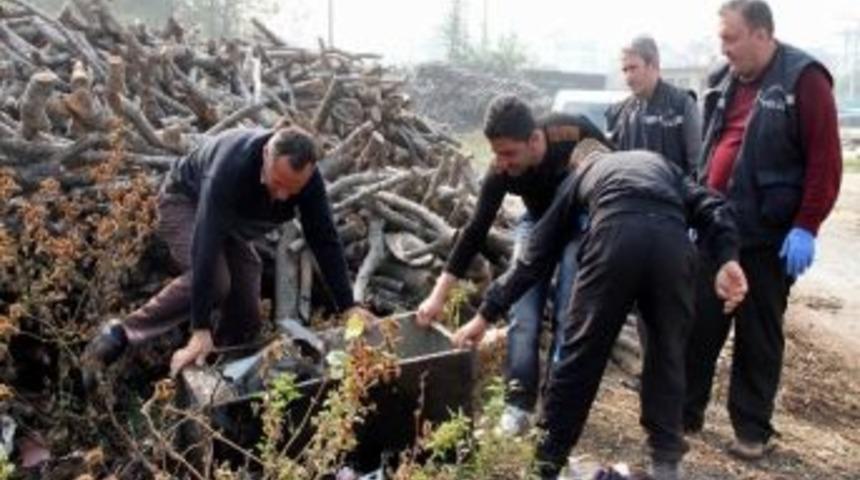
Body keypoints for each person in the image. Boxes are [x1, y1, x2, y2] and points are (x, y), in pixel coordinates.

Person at [453, 139, 748, 480]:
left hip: (615, 237)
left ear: (579, 165)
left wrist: (485, 314)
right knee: (667, 353)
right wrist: (728, 257)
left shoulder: (584, 173)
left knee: (580, 355)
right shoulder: (660, 164)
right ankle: (666, 462)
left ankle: (546, 464)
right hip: (672, 245)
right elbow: (715, 206)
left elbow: (535, 255)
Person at [82, 126, 371, 383]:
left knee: (246, 315)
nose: (283, 196)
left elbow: (324, 239)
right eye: (277, 183)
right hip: (185, 202)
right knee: (218, 281)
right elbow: (205, 245)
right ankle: (121, 332)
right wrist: (200, 328)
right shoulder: (230, 165)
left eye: (292, 189)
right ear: (266, 154)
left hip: (230, 222)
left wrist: (348, 306)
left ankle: (220, 373)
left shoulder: (309, 182)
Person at [683, 0, 842, 460]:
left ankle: (752, 432)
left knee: (758, 336)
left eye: (731, 38)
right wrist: (695, 210)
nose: (724, 49)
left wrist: (806, 225)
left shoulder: (803, 79)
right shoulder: (721, 79)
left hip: (768, 235)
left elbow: (826, 162)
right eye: (721, 39)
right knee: (697, 324)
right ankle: (684, 414)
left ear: (761, 34)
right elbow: (708, 149)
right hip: (716, 229)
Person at [416, 95, 609, 435]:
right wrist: (437, 295)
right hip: (536, 223)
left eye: (509, 153)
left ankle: (556, 405)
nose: (502, 163)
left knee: (569, 312)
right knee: (523, 312)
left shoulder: (572, 131)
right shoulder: (499, 170)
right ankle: (518, 405)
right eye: (496, 153)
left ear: (534, 140)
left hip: (578, 227)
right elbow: (474, 231)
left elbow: (616, 169)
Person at [606, 35, 702, 175]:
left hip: (672, 189)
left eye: (633, 68)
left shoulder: (682, 105)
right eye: (625, 70)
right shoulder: (621, 113)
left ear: (653, 65)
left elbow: (698, 167)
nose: (628, 78)